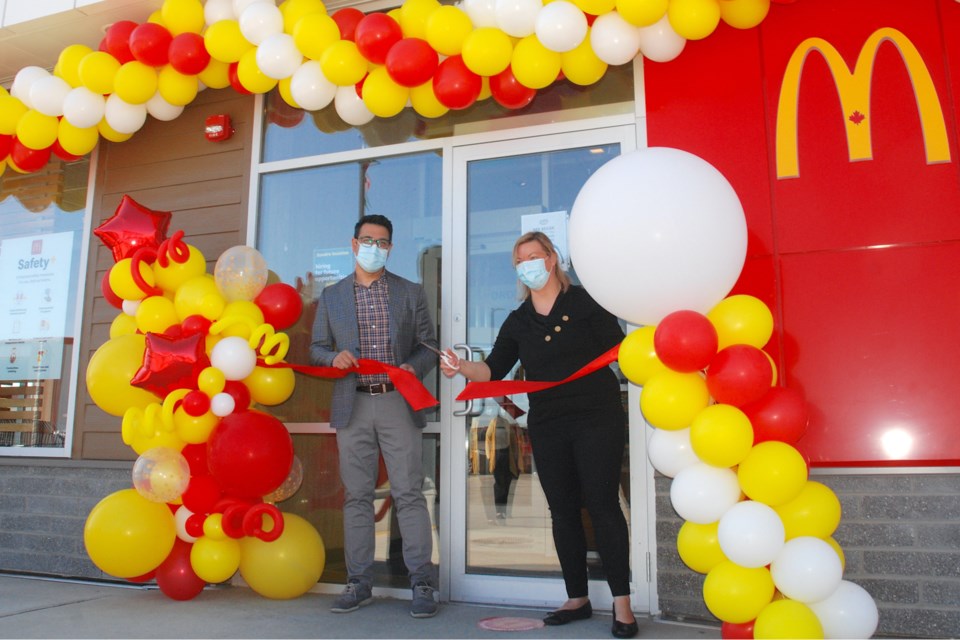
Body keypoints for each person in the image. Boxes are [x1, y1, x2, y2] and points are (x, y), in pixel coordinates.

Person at [440, 231, 639, 639]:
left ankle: (623, 604)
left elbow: (622, 349)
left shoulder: (584, 301)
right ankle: (577, 598)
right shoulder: (518, 320)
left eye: (534, 256)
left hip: (597, 416)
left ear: (552, 259)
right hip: (549, 423)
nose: (528, 264)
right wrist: (462, 366)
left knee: (602, 505)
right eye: (520, 260)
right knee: (562, 510)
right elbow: (493, 369)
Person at [310, 214, 440, 619]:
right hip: (353, 403)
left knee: (408, 493)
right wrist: (334, 357)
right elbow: (315, 348)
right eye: (368, 240)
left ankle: (422, 583)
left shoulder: (410, 292)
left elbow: (428, 346)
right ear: (353, 245)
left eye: (382, 242)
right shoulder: (331, 296)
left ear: (390, 248)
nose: (374, 247)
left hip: (396, 402)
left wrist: (408, 370)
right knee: (357, 496)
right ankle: (358, 582)